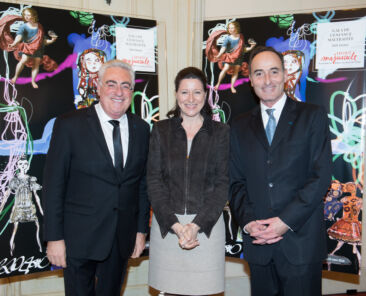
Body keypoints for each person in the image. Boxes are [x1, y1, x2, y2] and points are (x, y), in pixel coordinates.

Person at [229, 46, 332, 296]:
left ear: (285, 74)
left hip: (301, 244)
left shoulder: (312, 116)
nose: (267, 80)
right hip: (259, 244)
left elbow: (321, 177)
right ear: (251, 80)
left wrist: (285, 222)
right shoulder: (239, 126)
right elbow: (235, 182)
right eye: (259, 73)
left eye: (274, 72)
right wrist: (250, 222)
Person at [43, 59, 150, 296]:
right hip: (78, 239)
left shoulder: (142, 129)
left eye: (125, 86)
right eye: (111, 84)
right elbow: (53, 186)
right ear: (98, 86)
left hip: (121, 239)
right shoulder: (69, 125)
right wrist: (54, 238)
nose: (118, 92)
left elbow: (142, 185)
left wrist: (141, 231)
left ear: (132, 91)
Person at [147, 67, 229, 296]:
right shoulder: (160, 131)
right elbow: (154, 181)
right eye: (185, 92)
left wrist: (195, 226)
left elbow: (223, 184)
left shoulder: (221, 133)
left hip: (206, 228)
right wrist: (176, 226)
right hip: (168, 228)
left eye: (197, 92)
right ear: (176, 94)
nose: (191, 99)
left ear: (206, 95)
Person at [0, 157, 43, 256]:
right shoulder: (14, 180)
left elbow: (36, 196)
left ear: (27, 166)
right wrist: (1, 208)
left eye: (25, 164)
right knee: (14, 230)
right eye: (21, 164)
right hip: (19, 207)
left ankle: (40, 249)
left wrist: (41, 210)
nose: (23, 166)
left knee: (37, 226)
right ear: (18, 166)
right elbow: (6, 195)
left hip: (29, 207)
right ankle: (11, 252)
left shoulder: (31, 179)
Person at [8, 7, 58, 88]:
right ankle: (15, 77)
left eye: (29, 15)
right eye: (25, 15)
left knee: (36, 64)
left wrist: (52, 40)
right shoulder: (24, 26)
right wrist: (14, 43)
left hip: (38, 49)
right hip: (27, 47)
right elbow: (19, 36)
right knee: (24, 60)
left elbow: (42, 41)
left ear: (34, 16)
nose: (27, 17)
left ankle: (33, 81)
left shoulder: (39, 26)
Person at [213, 21, 256, 93]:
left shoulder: (241, 37)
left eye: (232, 28)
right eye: (229, 28)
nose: (230, 29)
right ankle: (218, 84)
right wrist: (219, 55)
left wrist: (251, 47)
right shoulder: (227, 38)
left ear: (236, 28)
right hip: (229, 57)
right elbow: (223, 48)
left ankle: (232, 86)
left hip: (238, 58)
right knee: (225, 68)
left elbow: (242, 49)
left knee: (235, 72)